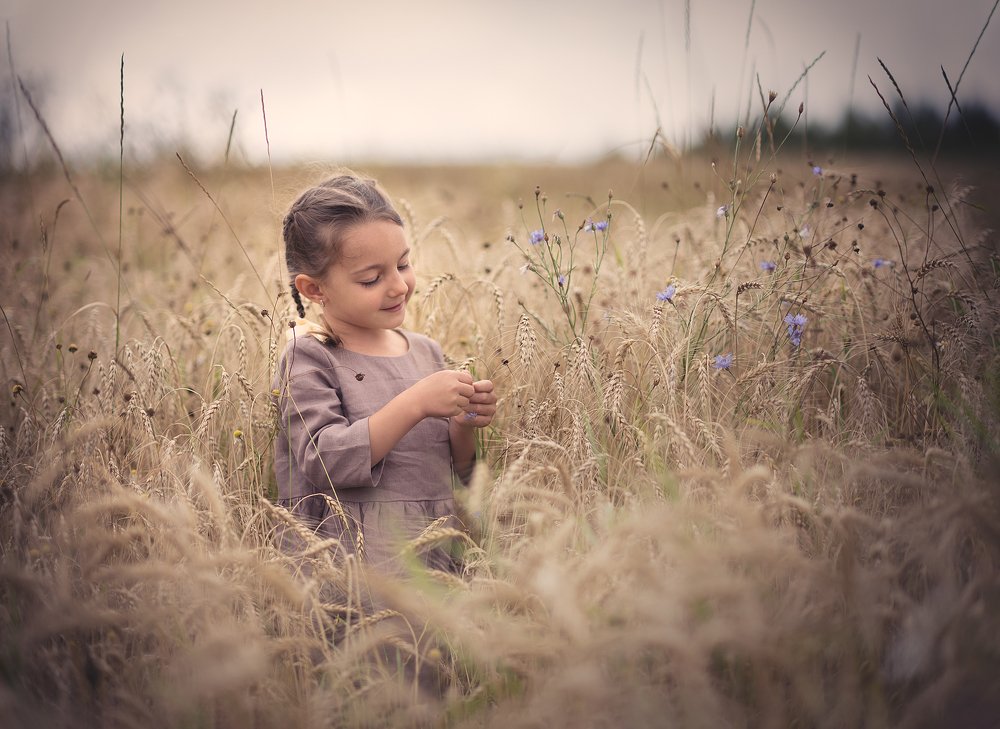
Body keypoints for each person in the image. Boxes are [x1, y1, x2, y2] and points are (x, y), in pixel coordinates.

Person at [272, 173, 496, 575]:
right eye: (371, 279)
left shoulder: (426, 352)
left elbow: (456, 473)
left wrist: (463, 426)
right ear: (315, 289)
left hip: (436, 557)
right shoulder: (310, 358)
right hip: (353, 570)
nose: (398, 286)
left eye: (403, 264)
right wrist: (415, 403)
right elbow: (325, 460)